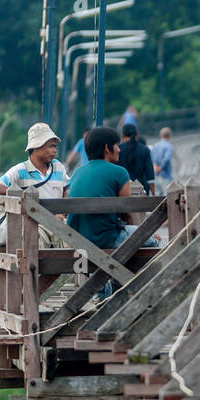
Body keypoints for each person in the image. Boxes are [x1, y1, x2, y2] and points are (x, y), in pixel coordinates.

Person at [66, 126, 134, 300]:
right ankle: (122, 291)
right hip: (106, 239)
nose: (119, 149)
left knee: (111, 245)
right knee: (149, 240)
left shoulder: (77, 172)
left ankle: (102, 295)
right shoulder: (119, 172)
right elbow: (126, 213)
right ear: (106, 148)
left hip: (77, 241)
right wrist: (143, 231)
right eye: (116, 145)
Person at [0, 122, 69, 248]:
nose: (55, 151)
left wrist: (65, 206)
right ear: (37, 146)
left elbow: (67, 188)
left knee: (72, 244)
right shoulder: (20, 170)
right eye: (51, 146)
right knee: (36, 243)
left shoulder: (58, 167)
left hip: (58, 222)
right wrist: (24, 197)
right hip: (35, 224)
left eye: (55, 146)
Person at [118, 122, 153, 194]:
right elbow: (150, 176)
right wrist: (154, 193)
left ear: (122, 135)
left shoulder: (118, 149)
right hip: (142, 189)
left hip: (123, 189)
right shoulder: (145, 149)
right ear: (137, 135)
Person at [150, 126, 174, 190]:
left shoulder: (155, 145)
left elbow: (151, 158)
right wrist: (160, 168)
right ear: (170, 135)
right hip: (165, 175)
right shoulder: (168, 146)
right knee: (166, 195)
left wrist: (154, 166)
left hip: (155, 175)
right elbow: (167, 159)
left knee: (158, 197)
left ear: (160, 135)